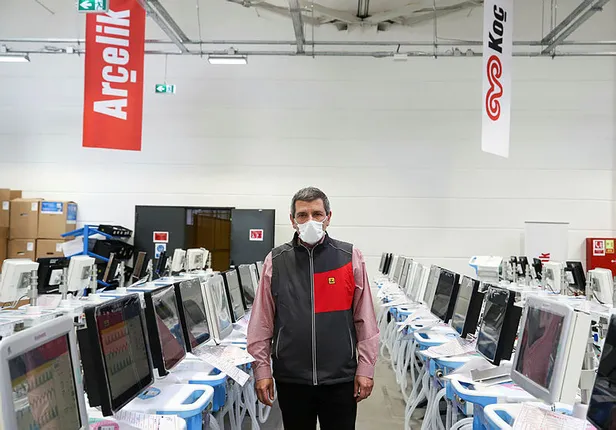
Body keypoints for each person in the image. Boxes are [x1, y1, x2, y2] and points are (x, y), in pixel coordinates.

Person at [247, 187, 379, 430]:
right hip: (292, 379)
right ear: (292, 220)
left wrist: (366, 367)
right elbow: (261, 322)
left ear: (328, 217)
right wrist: (262, 370)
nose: (310, 221)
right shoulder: (275, 260)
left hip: (340, 378)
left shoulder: (350, 257)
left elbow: (365, 319)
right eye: (302, 215)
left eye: (317, 214)